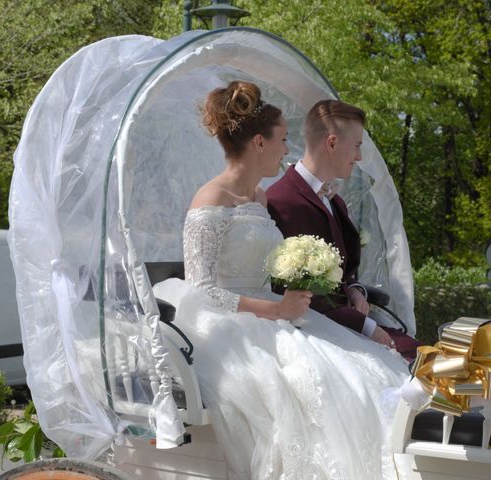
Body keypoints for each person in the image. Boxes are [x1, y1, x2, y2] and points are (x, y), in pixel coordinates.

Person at [153, 81, 409, 479]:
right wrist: (276, 310)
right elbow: (201, 290)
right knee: (314, 381)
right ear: (259, 143)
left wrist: (304, 279)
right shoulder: (210, 200)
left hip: (278, 315)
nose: (287, 150)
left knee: (364, 368)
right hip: (229, 324)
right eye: (282, 140)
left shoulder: (260, 199)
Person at [266, 99, 421, 360]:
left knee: (433, 358)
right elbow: (293, 294)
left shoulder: (334, 201)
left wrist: (355, 289)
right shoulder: (282, 201)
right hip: (317, 338)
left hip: (347, 326)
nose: (359, 157)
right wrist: (367, 327)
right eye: (357, 146)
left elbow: (343, 274)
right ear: (332, 143)